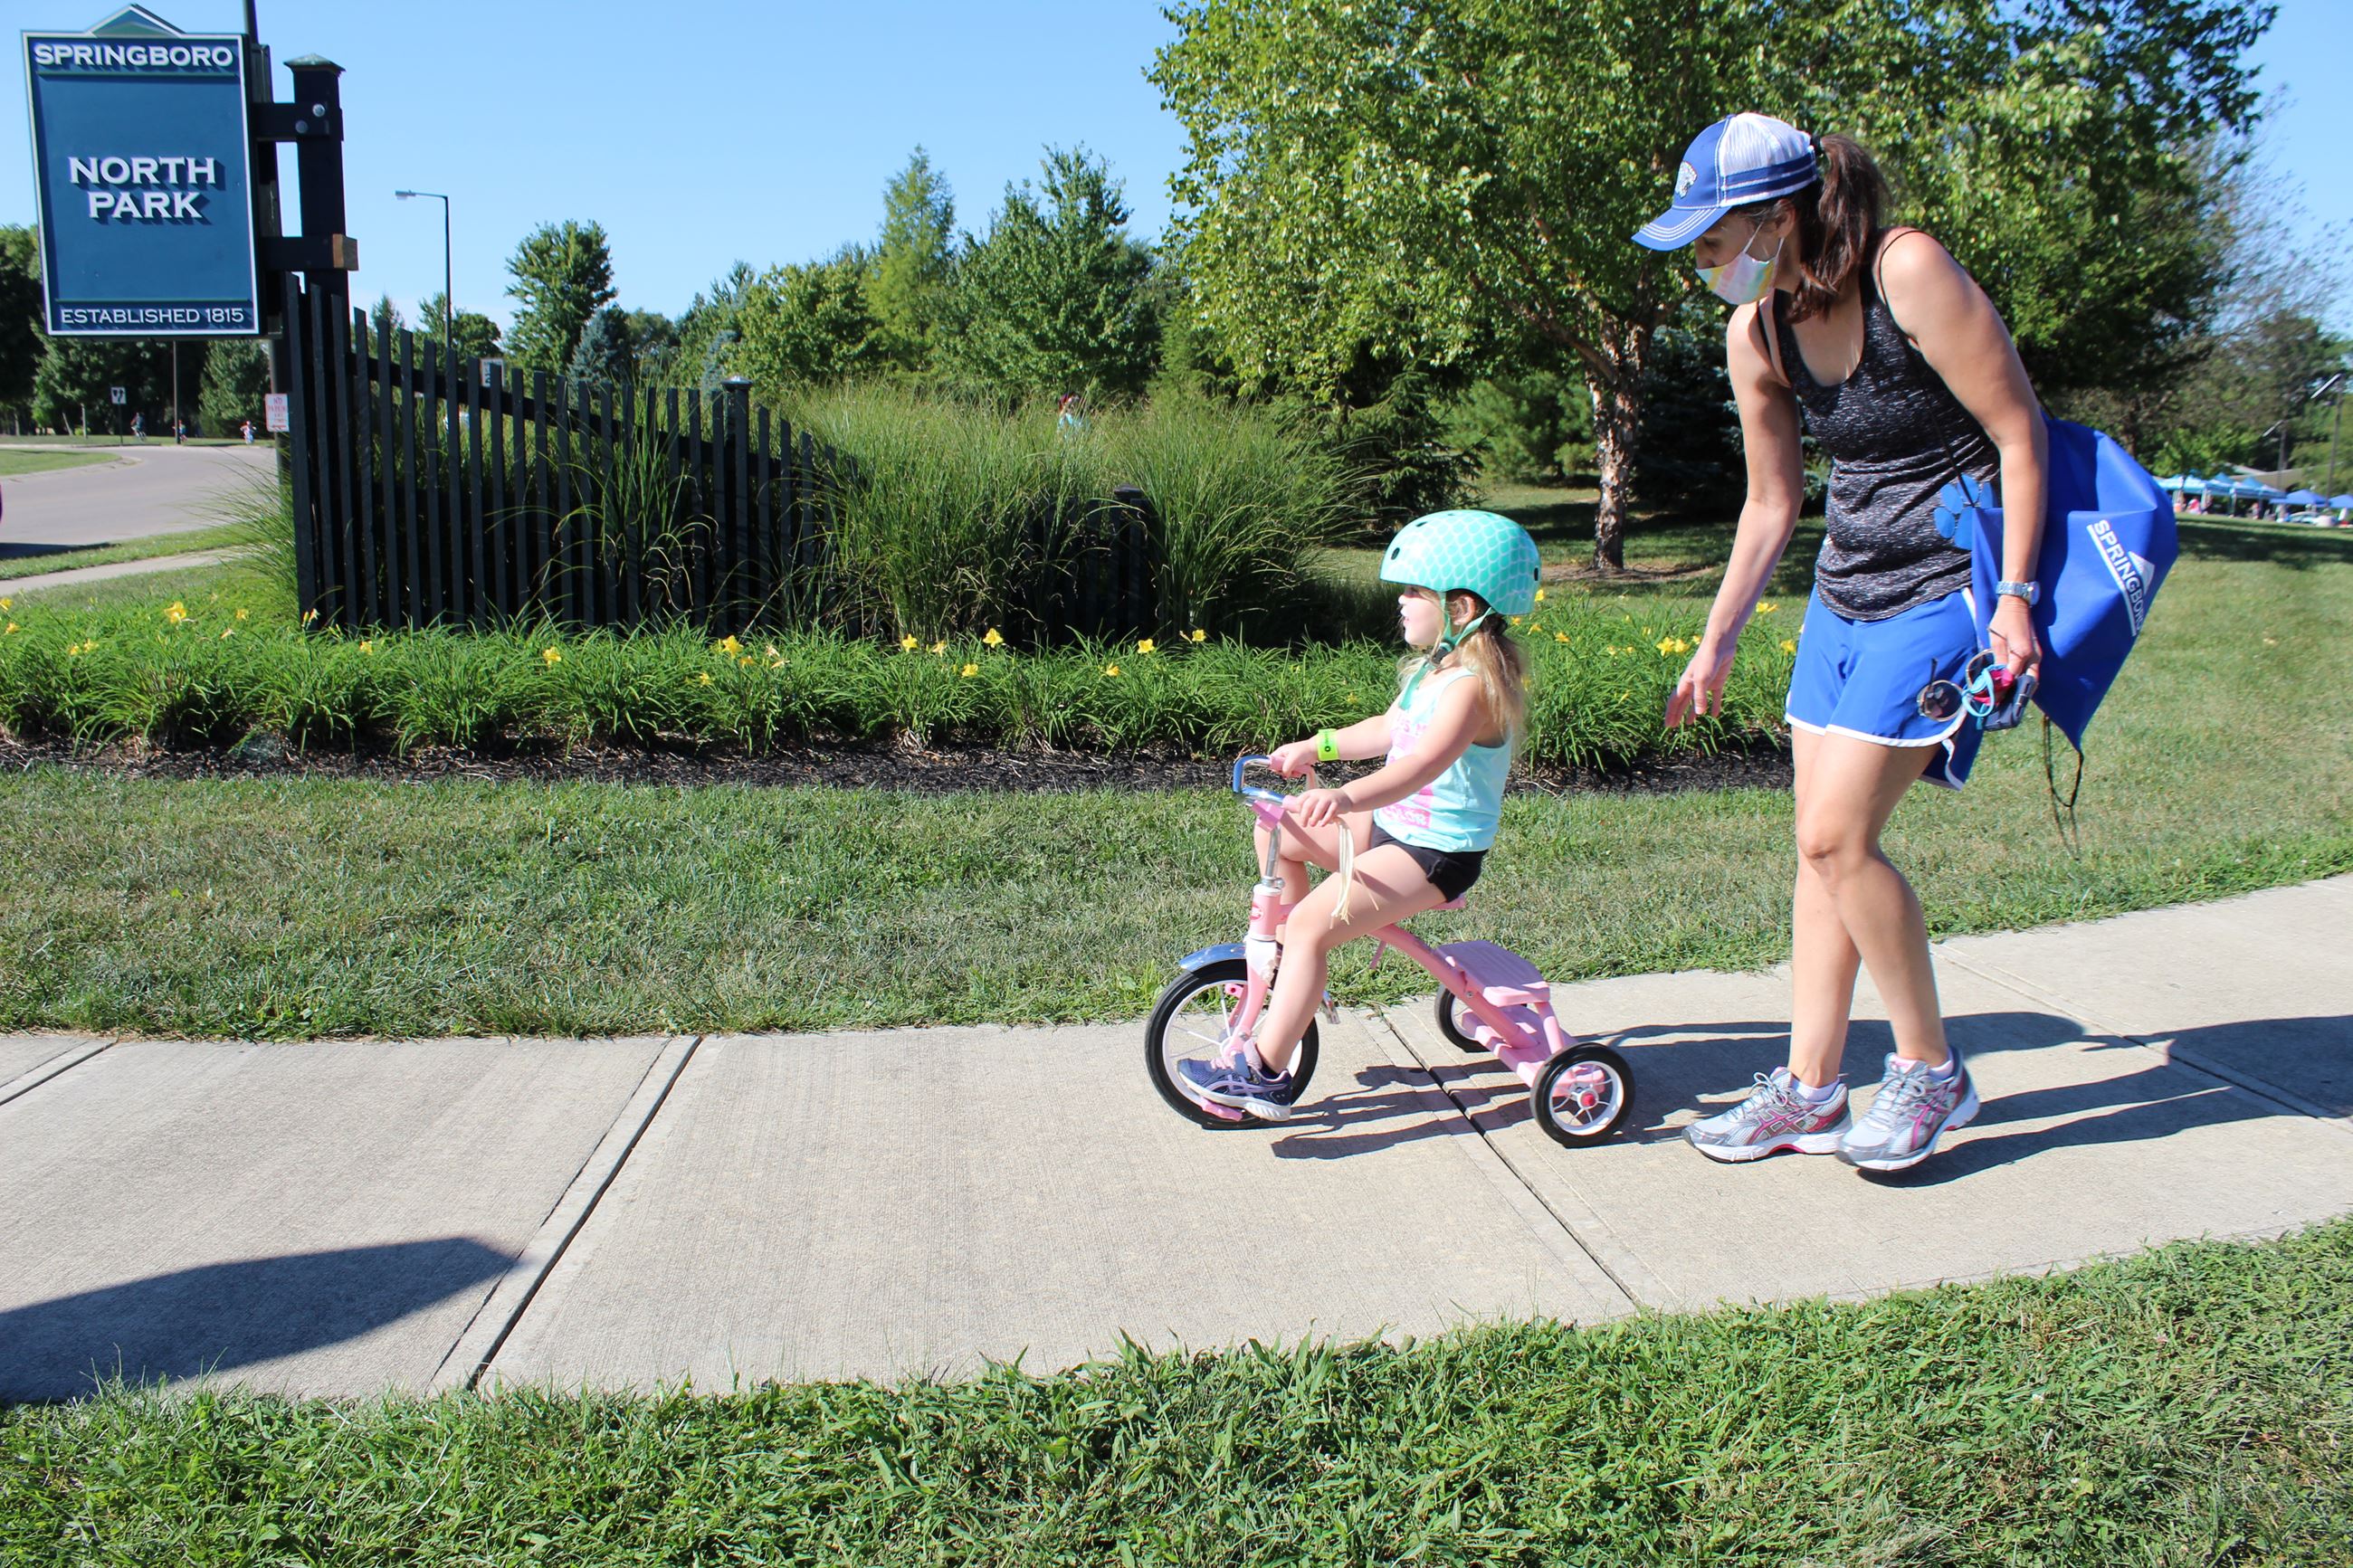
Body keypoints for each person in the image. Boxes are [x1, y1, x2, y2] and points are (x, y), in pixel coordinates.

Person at [1636, 113, 2045, 1174]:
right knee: (1815, 852)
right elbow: (1769, 503)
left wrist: (2012, 596)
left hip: (1944, 587)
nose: (1700, 266)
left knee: (1835, 837)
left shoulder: (1905, 270)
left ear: (1777, 215)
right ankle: (1811, 1089)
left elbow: (2016, 431)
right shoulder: (1756, 333)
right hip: (1841, 595)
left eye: (1709, 240)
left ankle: (1929, 1069)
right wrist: (1715, 640)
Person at [1175, 509, 1540, 1119]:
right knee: (1279, 828)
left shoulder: (1474, 688)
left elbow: (1419, 766)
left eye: (1414, 590)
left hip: (1435, 854)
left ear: (1460, 606)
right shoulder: (1435, 669)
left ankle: (1262, 1074)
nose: (1401, 602)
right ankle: (1291, 963)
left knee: (1314, 924)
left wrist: (1345, 796)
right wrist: (1316, 747)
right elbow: (1387, 730)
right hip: (1396, 829)